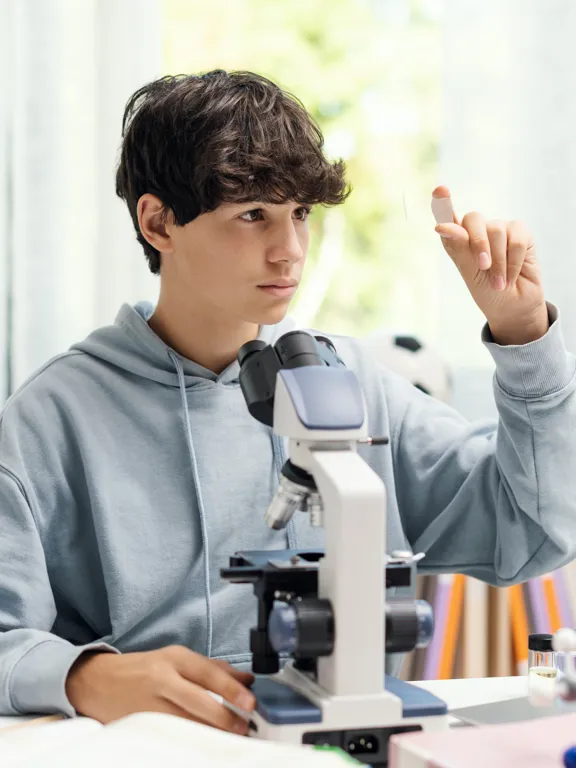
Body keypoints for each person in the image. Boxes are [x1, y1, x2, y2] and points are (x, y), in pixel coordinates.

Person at [0, 70, 574, 735]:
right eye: (253, 215)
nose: (291, 250)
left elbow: (534, 533)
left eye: (300, 213)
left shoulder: (352, 383)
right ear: (158, 222)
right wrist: (82, 676)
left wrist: (525, 338)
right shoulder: (48, 421)